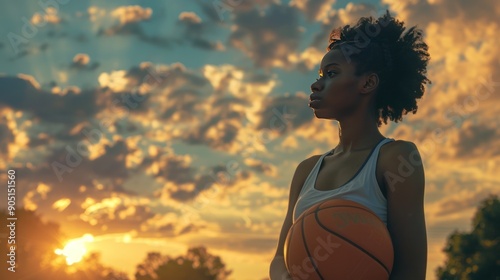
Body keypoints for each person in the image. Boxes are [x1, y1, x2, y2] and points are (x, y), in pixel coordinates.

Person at [269, 11, 430, 280]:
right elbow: (278, 258)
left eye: (331, 73)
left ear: (367, 83)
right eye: (320, 74)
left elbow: (411, 272)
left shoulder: (395, 159)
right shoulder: (306, 169)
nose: (316, 84)